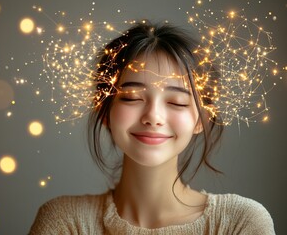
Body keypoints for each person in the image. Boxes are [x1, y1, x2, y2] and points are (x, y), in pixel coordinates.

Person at [29, 21, 275, 234]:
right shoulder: (64, 222)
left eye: (176, 102)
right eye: (132, 97)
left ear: (202, 119)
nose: (153, 117)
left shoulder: (240, 222)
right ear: (104, 111)